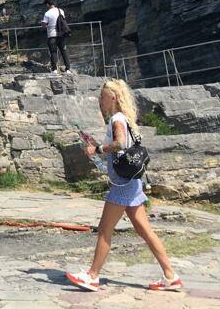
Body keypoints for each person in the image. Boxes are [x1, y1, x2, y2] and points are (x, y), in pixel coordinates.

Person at [66, 79, 182, 293]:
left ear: (112, 98)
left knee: (104, 230)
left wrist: (98, 148)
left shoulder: (117, 119)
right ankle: (170, 276)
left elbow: (119, 143)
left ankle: (92, 276)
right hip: (132, 182)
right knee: (145, 231)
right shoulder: (124, 118)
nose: (100, 100)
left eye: (102, 96)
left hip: (122, 185)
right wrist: (98, 146)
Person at [41, 0, 71, 72]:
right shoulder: (61, 11)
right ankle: (68, 69)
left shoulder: (47, 13)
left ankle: (54, 69)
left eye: (46, 5)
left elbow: (44, 25)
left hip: (52, 35)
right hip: (61, 34)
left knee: (53, 52)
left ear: (48, 4)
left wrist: (42, 23)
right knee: (64, 51)